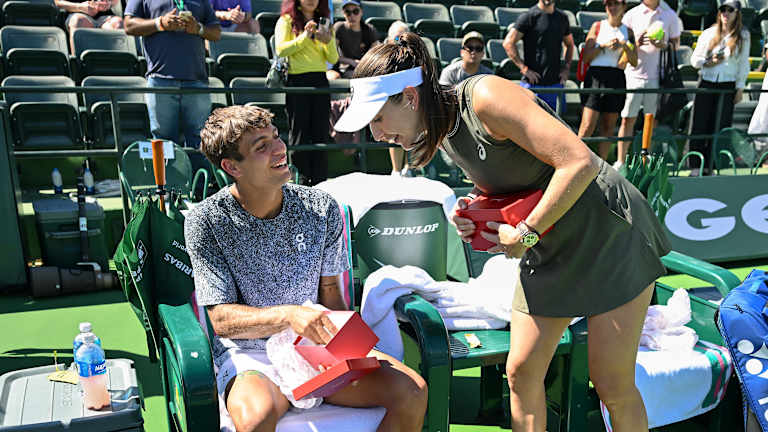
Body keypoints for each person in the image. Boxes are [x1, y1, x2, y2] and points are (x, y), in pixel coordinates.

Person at [334, 32, 671, 432]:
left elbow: (578, 162)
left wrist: (527, 233)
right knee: (522, 372)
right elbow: (518, 178)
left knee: (611, 383)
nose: (375, 134)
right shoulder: (441, 131)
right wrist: (476, 209)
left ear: (409, 97)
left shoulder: (486, 97)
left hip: (609, 234)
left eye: (377, 118)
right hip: (551, 245)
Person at [186, 105, 428, 432]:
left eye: (275, 137)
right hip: (250, 354)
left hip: (317, 347)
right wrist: (289, 316)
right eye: (261, 146)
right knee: (257, 419)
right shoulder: (205, 221)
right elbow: (222, 321)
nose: (279, 148)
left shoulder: (320, 207)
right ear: (232, 166)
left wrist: (349, 346)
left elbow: (331, 295)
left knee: (412, 391)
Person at [124, 0, 221, 149]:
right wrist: (159, 23)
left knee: (201, 139)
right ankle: (169, 174)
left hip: (197, 80)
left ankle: (201, 173)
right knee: (164, 143)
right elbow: (129, 25)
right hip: (160, 80)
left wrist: (198, 29)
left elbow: (216, 32)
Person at [275, 0, 338, 186]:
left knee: (320, 132)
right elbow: (281, 49)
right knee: (299, 132)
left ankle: (320, 181)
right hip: (297, 81)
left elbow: (333, 58)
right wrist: (306, 36)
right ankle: (300, 181)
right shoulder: (287, 20)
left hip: (320, 81)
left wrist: (328, 41)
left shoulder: (325, 22)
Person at [615, 0, 680, 170]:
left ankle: (646, 162)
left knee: (651, 120)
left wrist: (663, 45)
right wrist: (636, 43)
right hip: (633, 76)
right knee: (627, 119)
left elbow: (676, 45)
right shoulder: (631, 15)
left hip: (658, 77)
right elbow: (624, 46)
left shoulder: (670, 16)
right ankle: (621, 161)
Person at [688, 0, 750, 176]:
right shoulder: (708, 33)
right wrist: (709, 61)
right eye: (723, 9)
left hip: (727, 85)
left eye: (730, 10)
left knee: (720, 126)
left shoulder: (743, 36)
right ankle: (695, 166)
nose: (726, 13)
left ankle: (712, 166)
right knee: (700, 124)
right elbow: (694, 61)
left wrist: (739, 88)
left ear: (737, 13)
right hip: (707, 82)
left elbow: (743, 65)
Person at [577, 0, 638, 161]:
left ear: (624, 7)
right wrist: (603, 46)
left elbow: (634, 60)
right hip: (596, 77)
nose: (612, 8)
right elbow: (586, 58)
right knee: (587, 125)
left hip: (616, 77)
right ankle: (576, 161)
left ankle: (602, 166)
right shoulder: (597, 26)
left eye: (616, 4)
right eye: (608, 4)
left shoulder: (628, 31)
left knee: (608, 127)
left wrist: (624, 45)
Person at [502, 0, 575, 112]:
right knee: (527, 127)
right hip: (532, 86)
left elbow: (569, 44)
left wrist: (566, 68)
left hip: (555, 86)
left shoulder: (562, 18)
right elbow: (508, 43)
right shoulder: (528, 17)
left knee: (555, 127)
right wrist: (524, 69)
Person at [327, 0, 379, 80]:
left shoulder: (369, 29)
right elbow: (332, 54)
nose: (352, 16)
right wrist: (351, 61)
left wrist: (362, 63)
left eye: (355, 11)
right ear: (343, 14)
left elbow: (375, 53)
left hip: (364, 68)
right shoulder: (338, 28)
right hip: (342, 69)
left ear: (361, 12)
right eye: (348, 12)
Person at [386, 20, 411, 176]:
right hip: (392, 101)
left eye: (404, 38)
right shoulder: (384, 57)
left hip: (410, 100)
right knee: (394, 130)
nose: (400, 42)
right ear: (389, 40)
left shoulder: (414, 55)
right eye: (397, 38)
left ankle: (410, 169)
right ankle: (396, 171)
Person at [55, 0, 123, 52]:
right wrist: (80, 7)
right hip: (78, 13)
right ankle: (77, 64)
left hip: (104, 16)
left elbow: (115, 1)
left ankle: (117, 64)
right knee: (78, 21)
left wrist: (108, 3)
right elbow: (58, 2)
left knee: (118, 23)